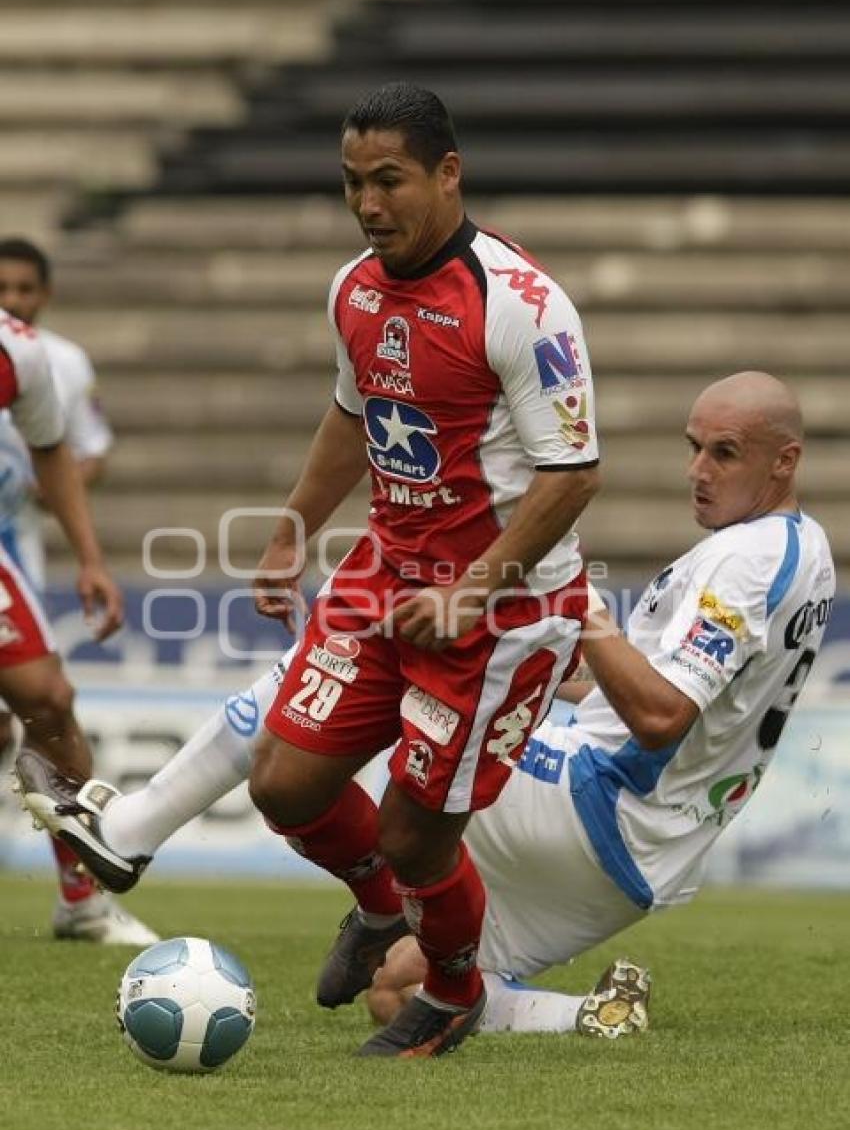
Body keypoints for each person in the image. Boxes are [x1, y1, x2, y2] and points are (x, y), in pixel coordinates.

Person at [16, 371, 834, 1039]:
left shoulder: (746, 561)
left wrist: (571, 599)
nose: (698, 471)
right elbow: (653, 704)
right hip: (642, 861)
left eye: (724, 454)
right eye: (694, 449)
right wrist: (563, 651)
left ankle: (132, 830)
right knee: (398, 984)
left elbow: (659, 718)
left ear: (784, 461)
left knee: (353, 654)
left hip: (601, 802)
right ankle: (593, 1016)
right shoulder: (806, 554)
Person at [246, 81, 599, 1056]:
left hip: (501, 610)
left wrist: (470, 591)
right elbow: (352, 416)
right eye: (353, 182)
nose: (368, 204)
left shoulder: (519, 303)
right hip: (385, 575)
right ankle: (377, 912)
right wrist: (292, 529)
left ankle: (450, 992)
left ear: (448, 173)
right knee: (281, 785)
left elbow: (573, 474)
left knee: (414, 836)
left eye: (389, 180)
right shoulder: (353, 287)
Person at [0, 269, 155, 948]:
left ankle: (81, 900)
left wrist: (90, 558)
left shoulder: (25, 356)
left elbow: (51, 451)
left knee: (48, 698)